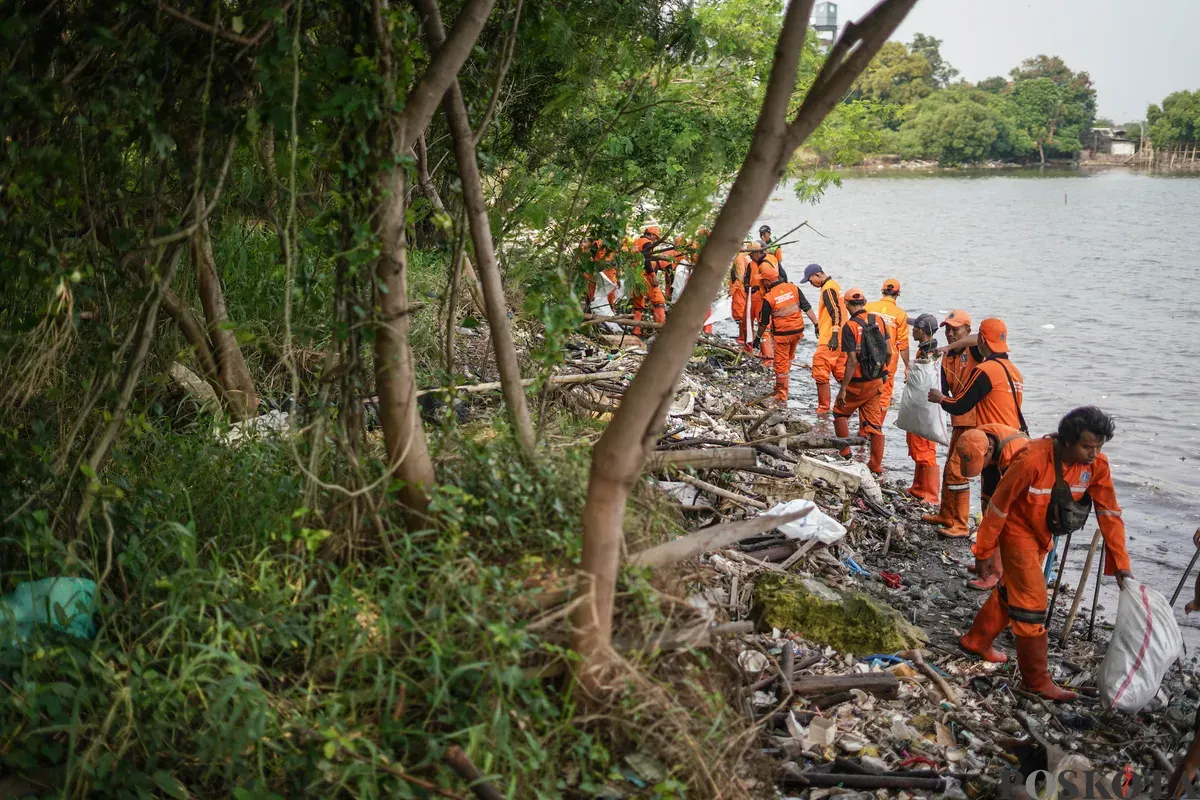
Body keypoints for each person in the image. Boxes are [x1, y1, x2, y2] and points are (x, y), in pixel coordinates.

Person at [959, 406, 1132, 702]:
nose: (1093, 453)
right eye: (1087, 446)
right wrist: (984, 551)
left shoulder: (1097, 467)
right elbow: (998, 505)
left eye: (1098, 446)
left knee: (1011, 590)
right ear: (1066, 441)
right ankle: (1036, 681)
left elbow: (1109, 513)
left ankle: (976, 640)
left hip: (1042, 534)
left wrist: (1121, 565)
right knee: (1031, 604)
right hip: (1016, 529)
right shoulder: (1031, 459)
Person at [919, 310, 982, 537]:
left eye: (955, 329)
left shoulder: (974, 350)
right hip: (958, 420)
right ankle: (946, 514)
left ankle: (961, 524)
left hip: (975, 422)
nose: (950, 333)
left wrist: (948, 347)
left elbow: (980, 338)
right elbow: (942, 390)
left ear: (967, 329)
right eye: (947, 329)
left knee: (957, 472)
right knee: (949, 470)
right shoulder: (948, 357)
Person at [955, 423, 1032, 590]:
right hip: (995, 462)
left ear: (988, 452)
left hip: (1019, 477)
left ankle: (997, 572)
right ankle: (987, 562)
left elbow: (1003, 510)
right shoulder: (976, 438)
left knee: (1002, 520)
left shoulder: (1014, 453)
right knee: (986, 507)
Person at [832, 288, 891, 474]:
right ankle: (875, 464)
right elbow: (888, 352)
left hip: (857, 384)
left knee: (839, 413)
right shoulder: (879, 320)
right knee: (874, 425)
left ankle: (845, 452)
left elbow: (851, 361)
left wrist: (843, 389)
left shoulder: (849, 327)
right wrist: (884, 371)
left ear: (847, 305)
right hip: (876, 382)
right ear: (864, 302)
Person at [753, 262, 812, 404]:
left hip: (782, 335)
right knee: (788, 359)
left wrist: (757, 337)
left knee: (780, 365)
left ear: (767, 281)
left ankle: (781, 394)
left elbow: (763, 323)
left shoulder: (769, 297)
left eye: (762, 280)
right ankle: (783, 384)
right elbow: (807, 307)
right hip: (798, 332)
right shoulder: (793, 288)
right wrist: (816, 324)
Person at [905, 313, 941, 505]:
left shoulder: (929, 352)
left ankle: (932, 496)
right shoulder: (925, 350)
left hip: (925, 406)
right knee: (916, 445)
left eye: (914, 328)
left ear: (921, 330)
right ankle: (918, 487)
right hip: (919, 404)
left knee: (925, 448)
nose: (912, 330)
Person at [802, 263, 847, 414]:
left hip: (831, 339)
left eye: (810, 280)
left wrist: (833, 333)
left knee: (820, 368)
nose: (811, 284)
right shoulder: (834, 285)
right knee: (841, 372)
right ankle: (850, 404)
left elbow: (835, 311)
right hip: (842, 338)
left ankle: (823, 408)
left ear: (818, 275)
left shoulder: (828, 288)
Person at [865, 278, 910, 414]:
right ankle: (876, 429)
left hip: (868, 356)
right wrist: (907, 366)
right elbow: (903, 344)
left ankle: (864, 426)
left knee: (866, 390)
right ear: (898, 294)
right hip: (888, 361)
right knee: (884, 396)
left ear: (882, 292)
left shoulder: (869, 308)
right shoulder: (900, 315)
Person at [730, 244, 751, 347]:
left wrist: (732, 290)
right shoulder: (745, 256)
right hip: (743, 288)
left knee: (740, 312)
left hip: (740, 289)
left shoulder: (739, 258)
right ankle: (743, 336)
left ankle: (743, 337)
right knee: (743, 312)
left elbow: (740, 277)